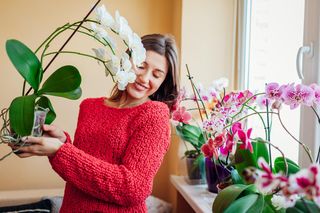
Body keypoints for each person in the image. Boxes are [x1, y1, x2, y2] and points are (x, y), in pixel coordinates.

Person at [11, 34, 179, 212]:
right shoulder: (90, 106)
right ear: (127, 61)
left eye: (156, 74)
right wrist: (62, 143)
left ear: (163, 82)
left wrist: (61, 151)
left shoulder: (154, 115)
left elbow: (132, 188)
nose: (144, 78)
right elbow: (80, 174)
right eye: (140, 66)